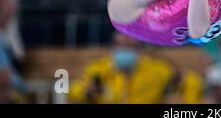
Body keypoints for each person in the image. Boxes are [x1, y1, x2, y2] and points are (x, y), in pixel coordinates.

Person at [69, 32, 203, 104]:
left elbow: (191, 81)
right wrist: (86, 92)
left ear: (139, 49)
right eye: (121, 46)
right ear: (113, 47)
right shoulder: (98, 69)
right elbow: (73, 91)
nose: (125, 50)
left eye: (130, 47)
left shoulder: (157, 69)